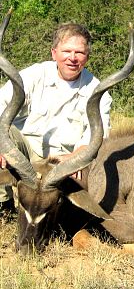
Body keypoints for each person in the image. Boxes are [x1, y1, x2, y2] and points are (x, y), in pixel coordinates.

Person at [0, 22, 112, 218]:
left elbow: (96, 137)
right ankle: (4, 205)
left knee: (91, 174)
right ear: (54, 53)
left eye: (79, 52)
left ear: (87, 56)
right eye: (66, 51)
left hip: (62, 163)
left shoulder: (97, 90)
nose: (72, 58)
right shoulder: (34, 75)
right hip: (26, 153)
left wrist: (76, 158)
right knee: (3, 134)